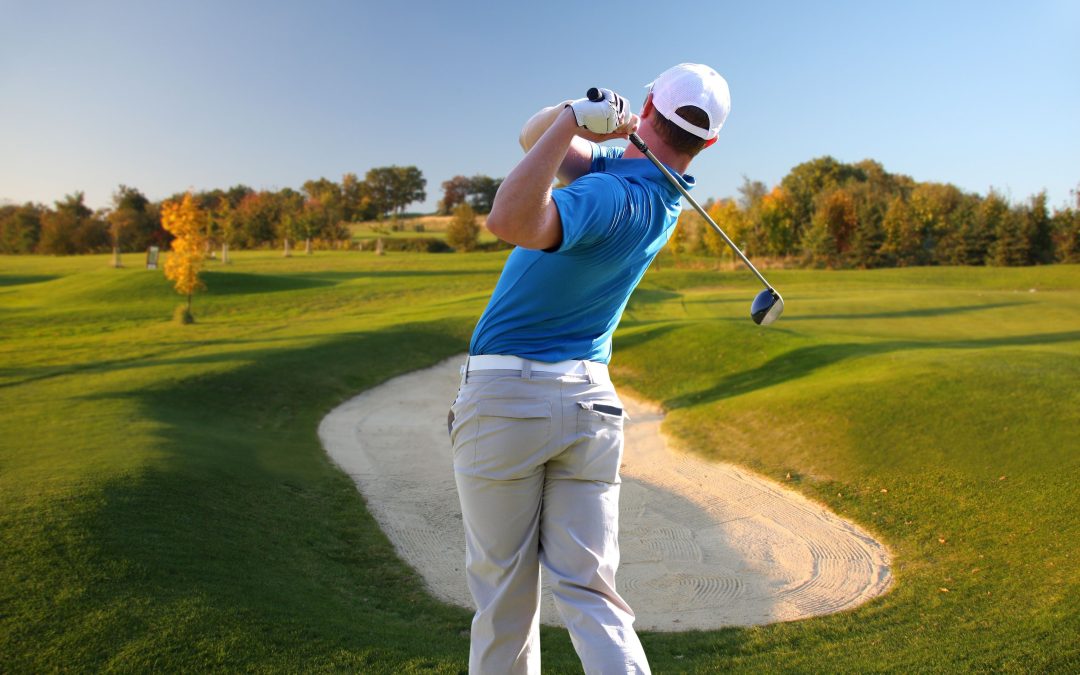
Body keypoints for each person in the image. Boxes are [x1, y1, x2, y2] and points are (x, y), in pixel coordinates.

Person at [447, 63, 731, 675]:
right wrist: (577, 118)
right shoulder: (650, 191)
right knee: (592, 594)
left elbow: (511, 220)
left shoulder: (607, 195)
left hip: (509, 401)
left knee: (504, 597)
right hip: (590, 408)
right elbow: (533, 136)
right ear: (708, 143)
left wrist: (579, 119)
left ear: (650, 102)